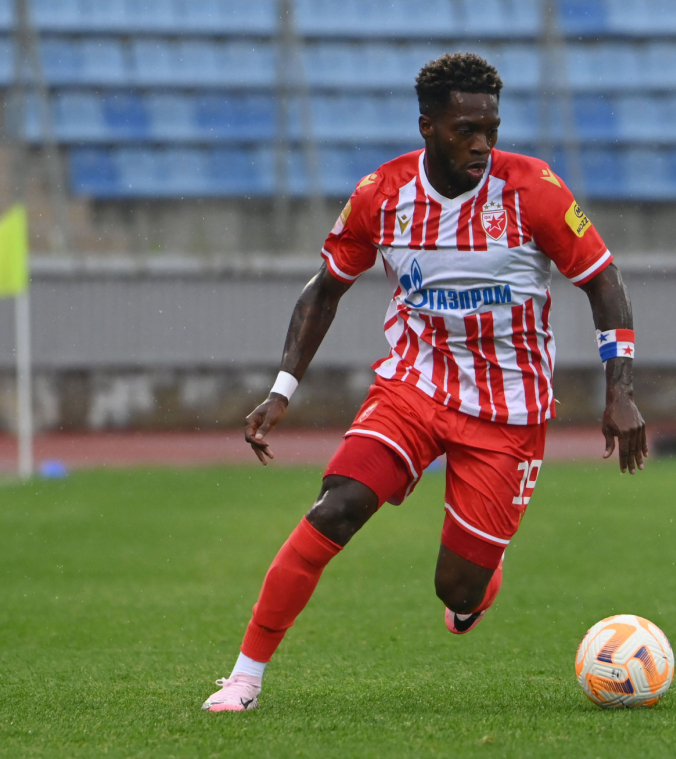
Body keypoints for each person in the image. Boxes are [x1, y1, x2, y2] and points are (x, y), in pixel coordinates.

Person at [202, 52, 647, 712]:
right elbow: (324, 290)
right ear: (428, 127)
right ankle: (244, 676)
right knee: (337, 506)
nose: (482, 144)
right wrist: (282, 388)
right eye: (467, 130)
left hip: (508, 410)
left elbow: (603, 280)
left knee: (458, 589)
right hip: (413, 387)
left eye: (491, 129)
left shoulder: (534, 189)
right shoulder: (381, 195)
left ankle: (480, 578)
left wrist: (620, 391)